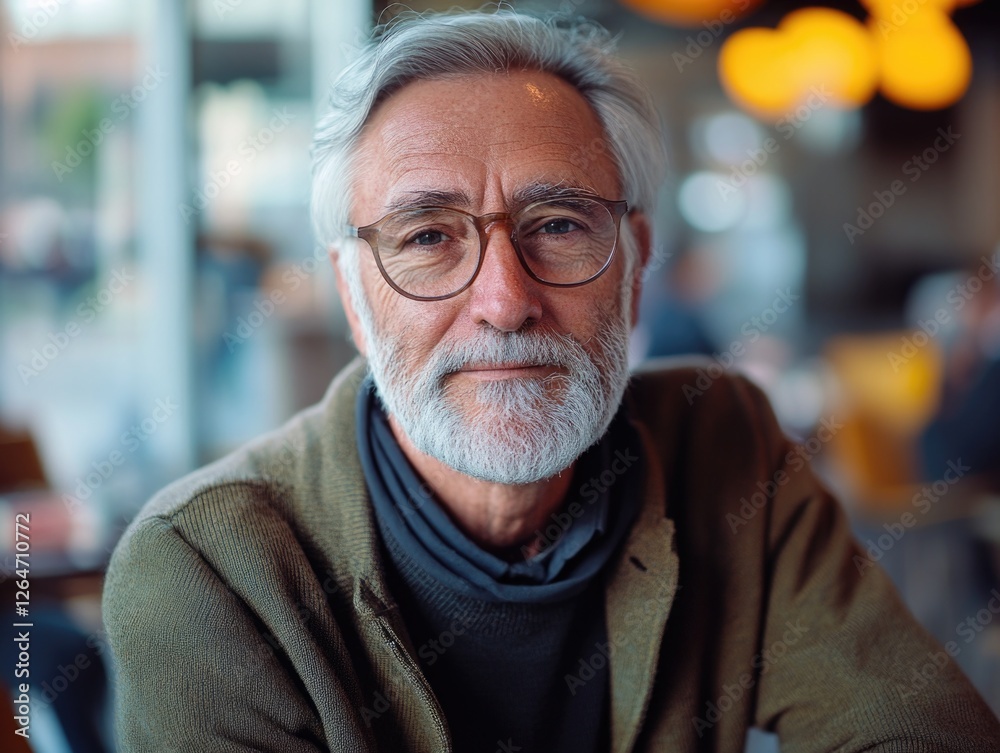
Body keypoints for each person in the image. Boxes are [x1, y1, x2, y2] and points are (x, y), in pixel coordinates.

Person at [102, 9, 1000, 752]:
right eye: (427, 237)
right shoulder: (209, 567)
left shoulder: (721, 442)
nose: (503, 300)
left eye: (560, 224)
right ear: (352, 291)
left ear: (636, 261)